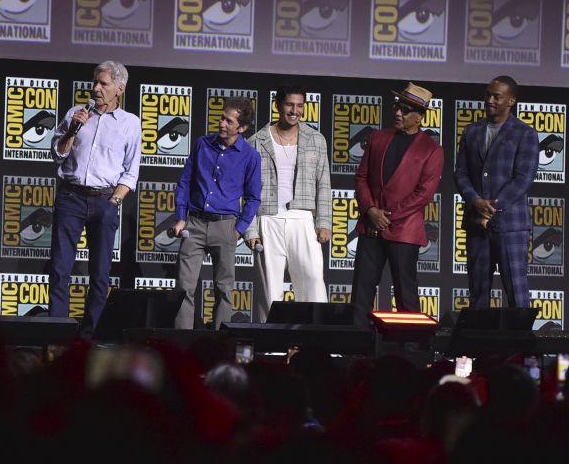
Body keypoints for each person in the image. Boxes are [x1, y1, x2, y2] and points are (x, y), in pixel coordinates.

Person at [48, 61, 140, 337]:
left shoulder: (130, 123)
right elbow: (58, 154)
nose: (96, 88)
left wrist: (113, 203)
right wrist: (73, 130)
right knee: (60, 269)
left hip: (105, 201)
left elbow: (130, 171)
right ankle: (57, 333)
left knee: (100, 275)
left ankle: (89, 337)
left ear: (119, 90)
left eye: (104, 84)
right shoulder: (75, 114)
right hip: (70, 198)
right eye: (95, 82)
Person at [351, 83, 444, 329]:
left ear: (420, 117)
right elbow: (361, 178)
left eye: (405, 110)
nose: (398, 113)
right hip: (370, 226)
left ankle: (411, 350)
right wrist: (371, 211)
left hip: (404, 230)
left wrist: (387, 216)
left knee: (406, 295)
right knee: (361, 293)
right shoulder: (377, 138)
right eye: (397, 107)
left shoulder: (432, 150)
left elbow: (424, 194)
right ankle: (357, 348)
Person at [172, 97, 261, 330]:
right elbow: (185, 182)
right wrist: (181, 216)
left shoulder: (250, 156)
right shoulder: (202, 144)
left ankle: (220, 345)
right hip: (194, 223)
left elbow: (253, 198)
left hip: (226, 227)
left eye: (228, 121)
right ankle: (182, 343)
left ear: (241, 128)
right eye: (222, 118)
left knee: (224, 289)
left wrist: (238, 230)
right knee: (184, 287)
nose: (222, 123)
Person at [245, 84, 332, 322]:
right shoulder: (256, 141)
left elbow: (324, 183)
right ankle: (270, 349)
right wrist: (251, 229)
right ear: (278, 106)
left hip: (303, 219)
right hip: (268, 219)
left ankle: (316, 345)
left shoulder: (316, 139)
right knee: (270, 291)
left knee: (313, 282)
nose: (294, 111)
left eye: (299, 106)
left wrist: (324, 222)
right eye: (289, 105)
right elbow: (248, 189)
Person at [454, 76, 539, 309]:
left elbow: (523, 179)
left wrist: (489, 209)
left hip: (511, 226)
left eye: (496, 96)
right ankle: (479, 344)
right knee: (477, 294)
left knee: (517, 294)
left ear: (510, 100)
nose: (489, 100)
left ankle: (520, 346)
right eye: (487, 95)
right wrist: (475, 201)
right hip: (476, 225)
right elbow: (460, 173)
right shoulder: (471, 131)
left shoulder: (525, 133)